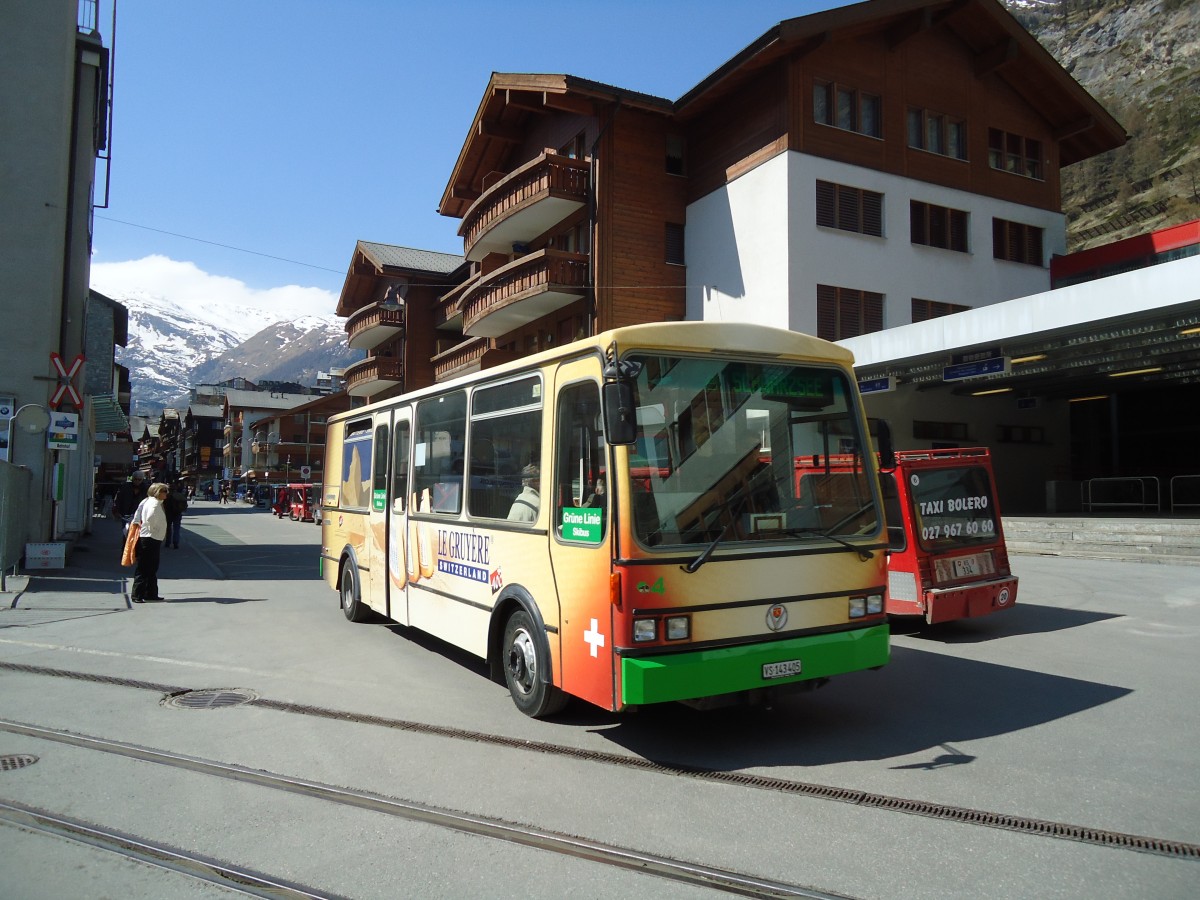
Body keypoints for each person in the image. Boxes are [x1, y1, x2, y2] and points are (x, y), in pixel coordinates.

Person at [130, 482, 169, 603]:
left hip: (149, 537)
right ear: (158, 492)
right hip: (150, 537)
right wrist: (154, 529)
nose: (166, 494)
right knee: (145, 567)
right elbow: (150, 518)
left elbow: (137, 515)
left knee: (151, 567)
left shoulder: (147, 501)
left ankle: (150, 593)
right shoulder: (154, 503)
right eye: (164, 491)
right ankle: (138, 594)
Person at [164, 481, 187, 549]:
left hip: (168, 514)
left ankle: (168, 542)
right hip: (178, 513)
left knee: (168, 528)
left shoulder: (166, 496)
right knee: (176, 528)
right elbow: (185, 504)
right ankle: (176, 542)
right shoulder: (179, 495)